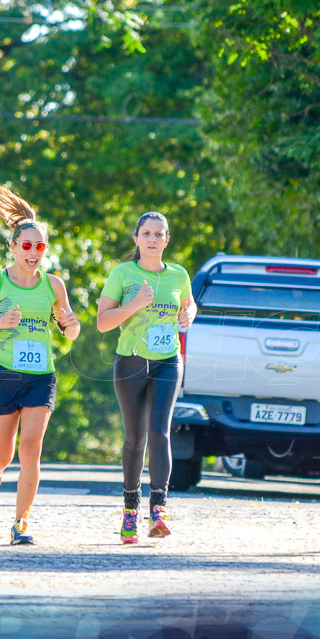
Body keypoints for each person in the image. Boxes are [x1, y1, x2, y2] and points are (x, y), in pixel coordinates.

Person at [0, 186, 80, 545]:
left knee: (30, 450)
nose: (33, 252)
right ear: (13, 247)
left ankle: (21, 523)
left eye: (39, 246)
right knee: (2, 456)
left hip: (40, 376)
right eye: (26, 246)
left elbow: (70, 330)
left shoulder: (54, 285)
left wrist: (70, 324)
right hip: (1, 374)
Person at [96, 212, 196, 544]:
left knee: (160, 432)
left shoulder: (179, 274)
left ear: (167, 239)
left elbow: (189, 305)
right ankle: (129, 511)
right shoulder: (123, 274)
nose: (152, 239)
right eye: (146, 234)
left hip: (168, 362)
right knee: (135, 439)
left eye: (159, 234)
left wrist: (188, 314)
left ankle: (159, 509)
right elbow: (103, 322)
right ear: (136, 239)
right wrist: (135, 304)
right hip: (131, 363)